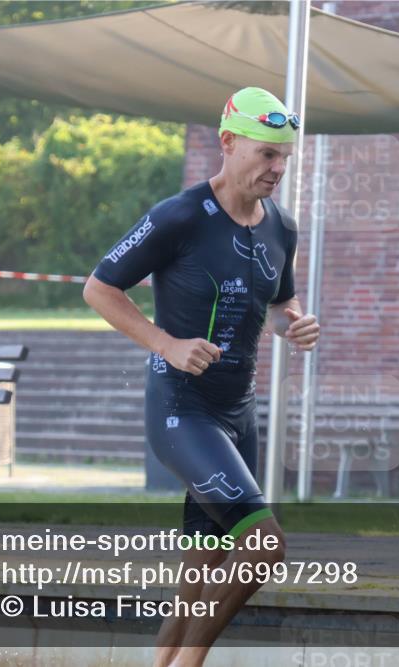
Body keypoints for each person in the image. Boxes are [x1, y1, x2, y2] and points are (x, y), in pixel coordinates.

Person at [83, 86, 321, 667]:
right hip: (183, 410)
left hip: (239, 415)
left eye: (285, 157)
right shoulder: (180, 216)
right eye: (267, 154)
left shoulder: (282, 226)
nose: (278, 168)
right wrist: (165, 344)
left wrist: (293, 324)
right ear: (229, 142)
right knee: (263, 545)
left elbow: (277, 304)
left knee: (202, 572)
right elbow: (99, 288)